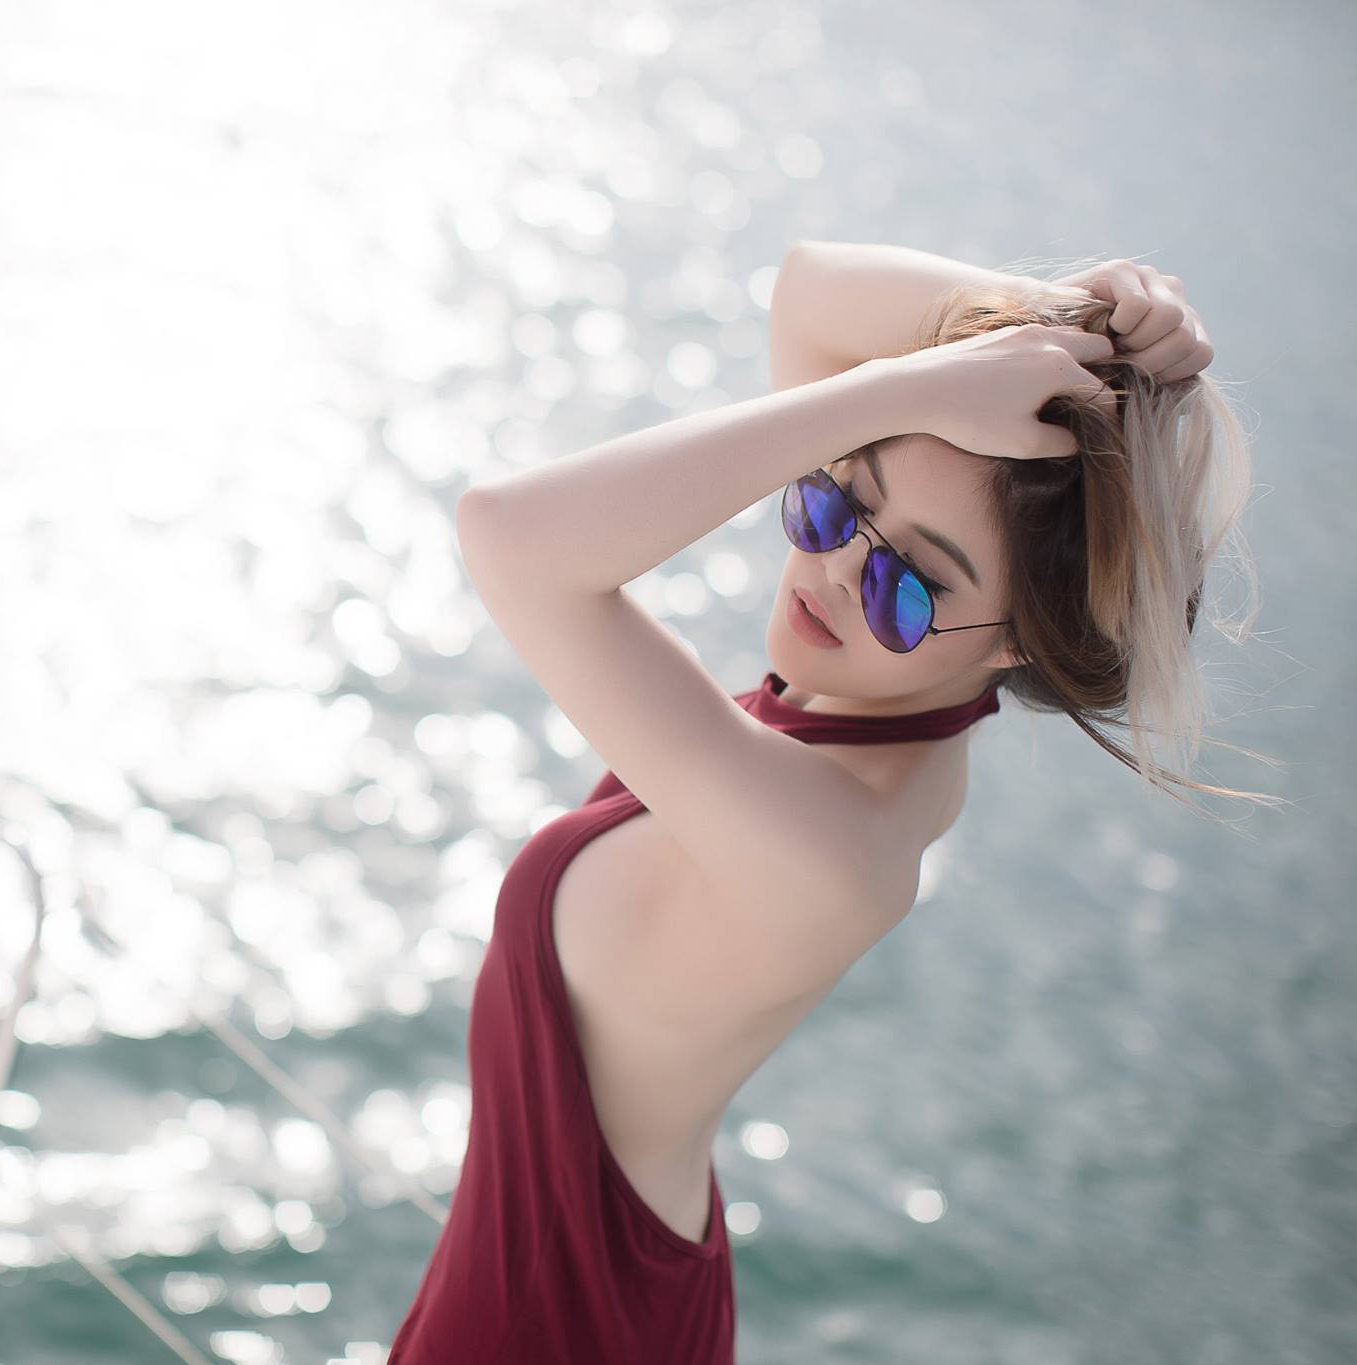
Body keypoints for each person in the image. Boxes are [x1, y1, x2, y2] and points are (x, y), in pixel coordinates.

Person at [386, 242, 1281, 1363]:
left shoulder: (830, 850)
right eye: (828, 499)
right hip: (563, 1280)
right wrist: (1067, 321)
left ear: (1014, 642)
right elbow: (808, 288)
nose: (824, 573)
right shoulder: (891, 721)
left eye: (908, 583)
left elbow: (509, 537)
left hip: (554, 1324)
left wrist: (898, 394)